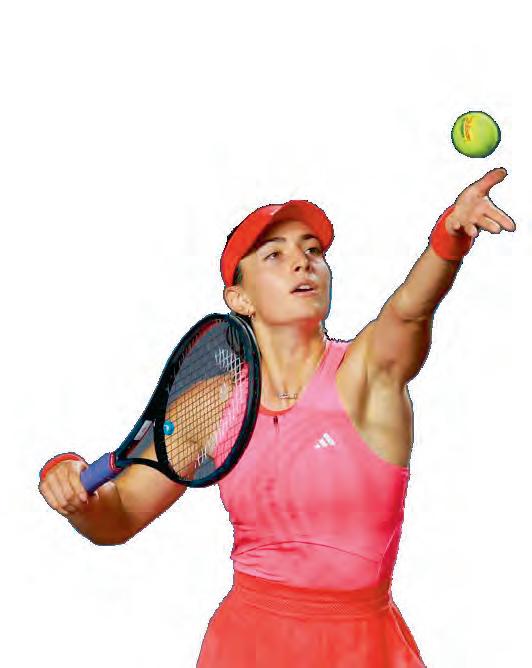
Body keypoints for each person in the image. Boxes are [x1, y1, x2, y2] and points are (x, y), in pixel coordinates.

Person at [38, 167, 515, 666]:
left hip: (362, 647)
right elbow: (120, 516)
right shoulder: (214, 402)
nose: (303, 263)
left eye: (314, 251)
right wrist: (78, 497)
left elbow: (409, 312)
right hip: (247, 644)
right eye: (275, 255)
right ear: (239, 298)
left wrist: (449, 238)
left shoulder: (368, 372)